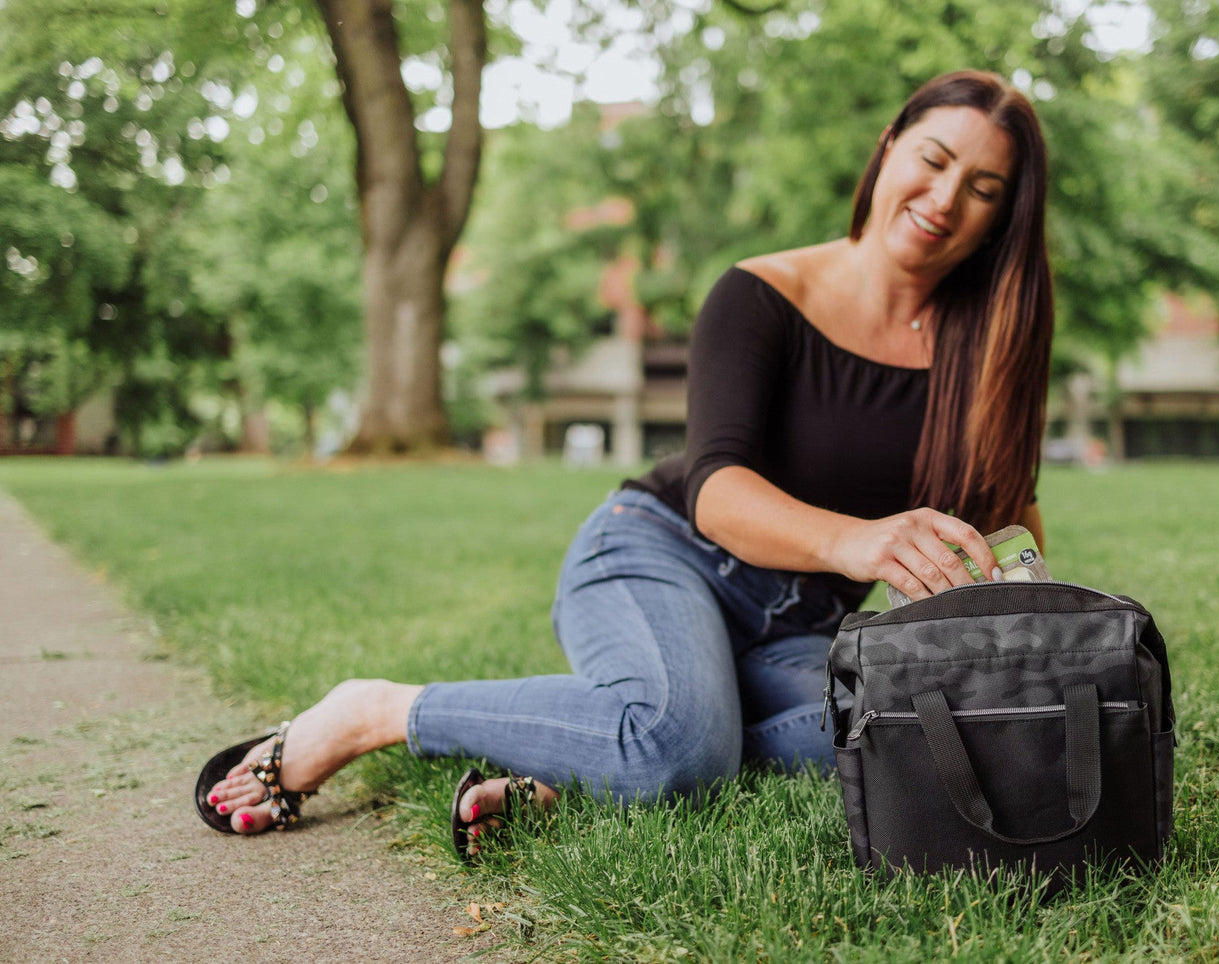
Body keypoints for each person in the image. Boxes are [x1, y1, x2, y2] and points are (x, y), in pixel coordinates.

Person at [197, 69, 1054, 845]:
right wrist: (858, 541)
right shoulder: (761, 295)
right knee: (682, 746)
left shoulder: (991, 351)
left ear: (999, 219)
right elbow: (717, 489)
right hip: (660, 553)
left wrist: (1040, 641)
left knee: (903, 727)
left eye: (982, 188)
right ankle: (376, 710)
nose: (945, 198)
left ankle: (588, 761)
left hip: (799, 630)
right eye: (933, 159)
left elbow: (1010, 516)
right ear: (887, 149)